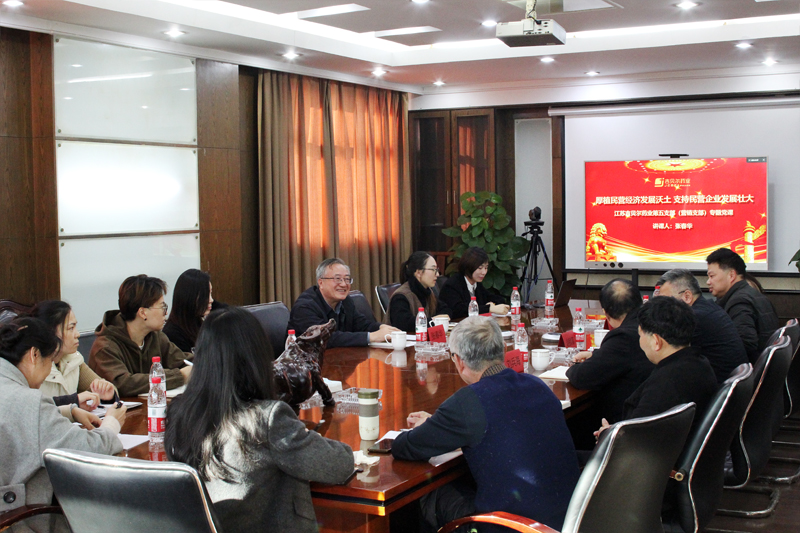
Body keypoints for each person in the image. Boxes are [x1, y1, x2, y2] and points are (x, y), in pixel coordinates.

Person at [166, 307, 353, 533]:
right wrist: (304, 434)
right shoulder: (268, 419)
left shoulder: (179, 412)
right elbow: (339, 465)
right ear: (256, 357)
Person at [392, 316, 580, 532]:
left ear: (459, 361)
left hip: (511, 527)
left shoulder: (468, 402)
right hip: (567, 521)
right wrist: (438, 424)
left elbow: (404, 447)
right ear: (503, 351)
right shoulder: (538, 385)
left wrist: (430, 427)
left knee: (427, 491)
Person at [0, 317, 125, 533]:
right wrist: (111, 424)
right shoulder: (29, 401)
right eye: (50, 361)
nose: (50, 369)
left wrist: (68, 411)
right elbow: (88, 450)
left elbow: (15, 419)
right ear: (34, 355)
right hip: (17, 520)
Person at [595, 296, 718, 440]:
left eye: (640, 335)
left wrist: (607, 435)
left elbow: (634, 440)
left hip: (649, 452)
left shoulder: (666, 384)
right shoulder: (700, 364)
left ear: (656, 341)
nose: (640, 341)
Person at [566, 279, 655, 423]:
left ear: (606, 314)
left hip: (623, 421)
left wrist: (573, 367)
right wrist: (596, 355)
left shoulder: (624, 336)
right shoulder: (649, 323)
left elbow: (581, 377)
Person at [89, 275, 192, 397]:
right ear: (143, 312)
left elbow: (182, 360)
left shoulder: (155, 336)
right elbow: (124, 384)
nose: (166, 313)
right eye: (162, 307)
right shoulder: (105, 347)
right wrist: (180, 376)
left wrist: (204, 362)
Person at [656, 269, 748, 383]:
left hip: (717, 385)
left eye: (666, 301)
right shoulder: (708, 307)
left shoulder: (695, 319)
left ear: (687, 296)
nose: (661, 308)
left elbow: (667, 355)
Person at [30, 300, 118, 415]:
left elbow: (109, 390)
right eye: (71, 328)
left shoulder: (73, 359)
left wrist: (108, 394)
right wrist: (73, 400)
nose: (77, 334)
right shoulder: (32, 367)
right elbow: (32, 408)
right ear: (50, 332)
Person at [288, 258, 398, 348]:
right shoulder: (305, 307)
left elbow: (362, 324)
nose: (344, 284)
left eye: (347, 279)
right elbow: (325, 339)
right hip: (307, 365)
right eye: (338, 279)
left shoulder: (346, 301)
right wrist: (371, 337)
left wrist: (382, 328)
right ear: (321, 282)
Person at [706, 248, 779, 362]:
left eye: (712, 276)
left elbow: (745, 344)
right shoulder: (753, 294)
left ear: (731, 275)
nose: (708, 282)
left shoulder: (739, 302)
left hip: (747, 368)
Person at [385, 251, 452, 333]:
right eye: (433, 269)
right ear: (419, 273)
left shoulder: (428, 291)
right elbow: (404, 324)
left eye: (437, 270)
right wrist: (433, 320)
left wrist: (438, 319)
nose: (437, 274)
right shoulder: (401, 296)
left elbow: (446, 310)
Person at [438, 247, 509, 319]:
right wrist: (489, 308)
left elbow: (494, 298)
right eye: (480, 268)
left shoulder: (476, 284)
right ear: (468, 266)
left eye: (486, 268)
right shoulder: (452, 285)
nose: (484, 272)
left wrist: (493, 305)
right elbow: (458, 310)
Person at [162, 268, 214, 352]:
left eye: (210, 293)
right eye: (205, 295)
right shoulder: (173, 335)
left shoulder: (200, 325)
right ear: (190, 297)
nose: (211, 300)